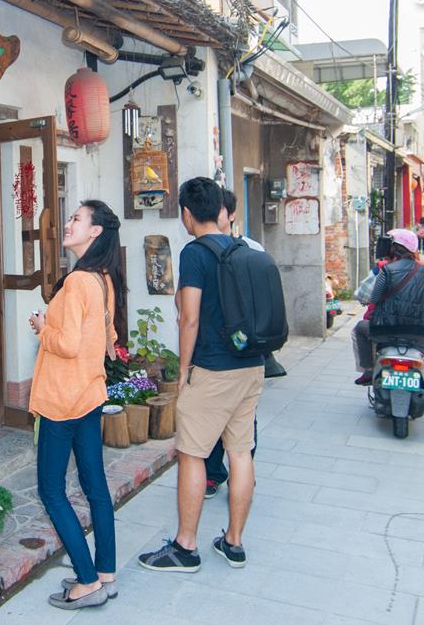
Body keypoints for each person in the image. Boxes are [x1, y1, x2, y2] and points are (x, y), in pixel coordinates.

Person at [139, 178, 267, 573]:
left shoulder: (195, 253)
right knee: (240, 452)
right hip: (251, 365)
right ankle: (234, 542)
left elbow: (189, 318)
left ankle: (186, 547)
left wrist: (183, 370)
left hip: (211, 369)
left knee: (192, 454)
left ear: (188, 214)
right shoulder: (241, 247)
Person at [28, 200, 125, 610]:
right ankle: (105, 573)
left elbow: (66, 344)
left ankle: (86, 581)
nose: (68, 224)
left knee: (51, 490)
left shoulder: (77, 283)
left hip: (61, 401)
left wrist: (41, 327)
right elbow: (110, 339)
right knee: (95, 486)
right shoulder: (103, 279)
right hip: (89, 395)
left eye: (76, 219)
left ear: (95, 232)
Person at [203, 189, 260, 499]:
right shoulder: (199, 251)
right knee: (211, 420)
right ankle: (214, 474)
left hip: (242, 352)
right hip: (212, 353)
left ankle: (243, 474)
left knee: (242, 424)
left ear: (231, 215)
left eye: (220, 210)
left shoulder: (250, 249)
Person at [351, 228, 424, 395]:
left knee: (360, 328)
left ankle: (368, 370)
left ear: (392, 248)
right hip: (423, 334)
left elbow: (367, 297)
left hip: (385, 331)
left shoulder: (383, 269)